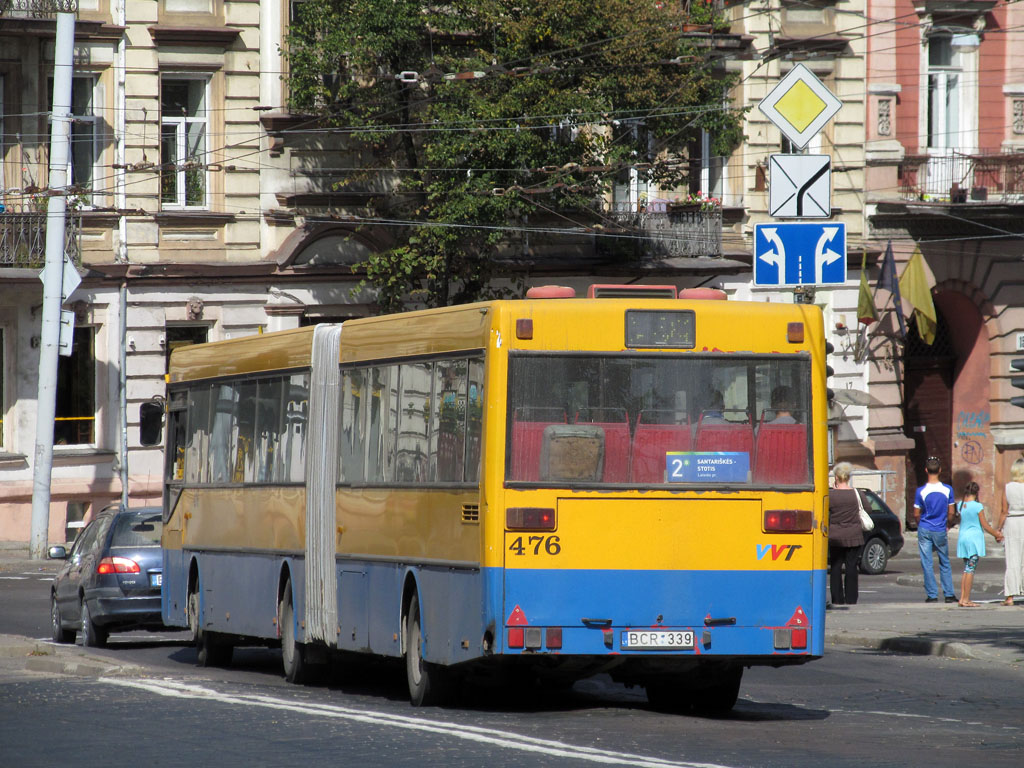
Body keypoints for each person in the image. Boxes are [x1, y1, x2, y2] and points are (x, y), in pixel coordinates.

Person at [913, 456, 958, 603]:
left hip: (925, 527)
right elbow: (951, 512)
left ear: (926, 470)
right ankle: (949, 594)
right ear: (940, 470)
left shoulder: (921, 491)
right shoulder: (947, 489)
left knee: (926, 562)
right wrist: (948, 524)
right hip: (940, 528)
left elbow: (916, 513)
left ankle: (932, 595)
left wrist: (920, 524)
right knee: (944, 561)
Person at [955, 481, 1003, 607]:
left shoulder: (960, 505)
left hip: (963, 539)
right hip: (974, 540)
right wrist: (997, 534)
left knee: (966, 569)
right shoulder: (977, 507)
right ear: (977, 493)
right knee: (971, 569)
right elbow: (985, 525)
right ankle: (966, 599)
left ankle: (962, 598)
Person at [828, 462, 867, 606]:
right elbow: (867, 508)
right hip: (854, 536)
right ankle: (851, 599)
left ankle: (837, 599)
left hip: (835, 536)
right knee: (851, 567)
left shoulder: (831, 495)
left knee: (836, 567)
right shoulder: (857, 493)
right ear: (848, 477)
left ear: (836, 477)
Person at [996, 457, 1024, 606]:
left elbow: (1003, 511)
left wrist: (998, 529)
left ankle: (1010, 597)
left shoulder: (1007, 488)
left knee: (1012, 558)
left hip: (1012, 523)